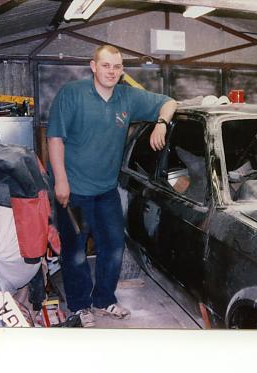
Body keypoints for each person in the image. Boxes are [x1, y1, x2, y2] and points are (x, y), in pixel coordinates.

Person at [46, 44, 177, 326]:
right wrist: (61, 181)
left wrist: (161, 123)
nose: (111, 71)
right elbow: (55, 138)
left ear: (122, 71)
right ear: (93, 66)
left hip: (106, 190)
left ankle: (103, 299)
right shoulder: (72, 94)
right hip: (74, 191)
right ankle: (79, 306)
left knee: (114, 246)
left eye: (117, 67)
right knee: (76, 252)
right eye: (106, 65)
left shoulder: (127, 97)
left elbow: (169, 102)